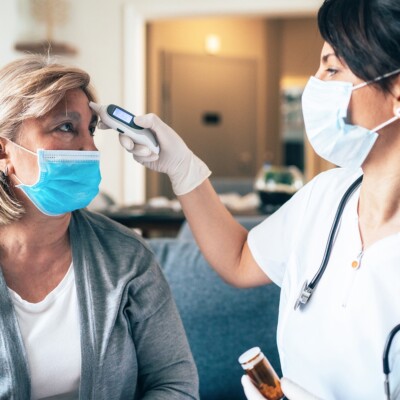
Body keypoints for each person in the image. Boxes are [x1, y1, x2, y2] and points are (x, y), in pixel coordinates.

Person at [102, 0, 400, 398]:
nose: (315, 85)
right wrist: (183, 168)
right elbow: (239, 259)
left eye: (332, 68)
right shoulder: (327, 196)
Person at [0, 54, 199, 399]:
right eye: (65, 127)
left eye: (90, 129)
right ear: (4, 152)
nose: (90, 147)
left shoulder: (127, 257)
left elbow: (175, 385)